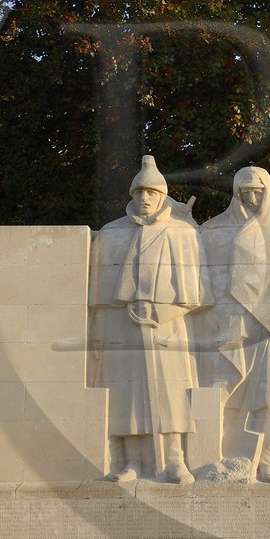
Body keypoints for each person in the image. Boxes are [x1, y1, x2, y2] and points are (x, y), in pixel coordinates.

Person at [89, 155, 207, 484]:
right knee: (126, 394)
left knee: (171, 393)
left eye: (151, 193)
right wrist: (98, 330)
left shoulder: (181, 233)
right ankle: (130, 462)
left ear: (162, 196)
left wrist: (162, 311)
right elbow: (97, 294)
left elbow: (196, 292)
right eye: (139, 193)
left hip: (167, 325)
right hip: (122, 327)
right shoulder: (111, 234)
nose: (144, 199)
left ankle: (175, 460)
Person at [199, 166, 270, 484]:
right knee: (219, 389)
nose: (251, 197)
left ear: (268, 192)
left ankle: (268, 460)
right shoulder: (213, 231)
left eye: (257, 191)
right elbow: (202, 280)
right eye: (244, 191)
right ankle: (211, 458)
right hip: (230, 326)